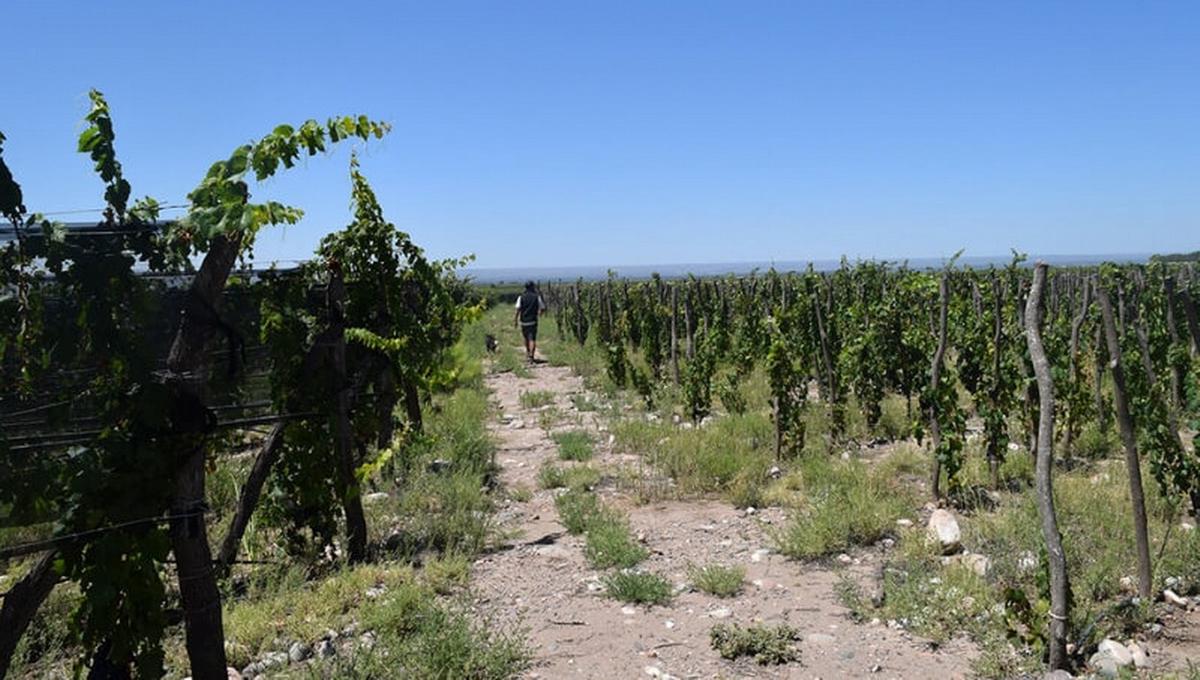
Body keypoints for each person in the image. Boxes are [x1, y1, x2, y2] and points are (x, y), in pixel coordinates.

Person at [514, 281, 546, 361]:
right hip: (533, 320)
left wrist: (515, 320)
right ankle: (532, 356)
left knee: (526, 338)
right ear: (532, 287)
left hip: (523, 321)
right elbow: (542, 308)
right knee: (532, 338)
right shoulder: (536, 297)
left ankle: (528, 353)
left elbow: (518, 309)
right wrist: (539, 314)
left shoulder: (521, 297)